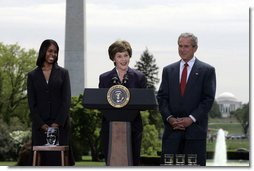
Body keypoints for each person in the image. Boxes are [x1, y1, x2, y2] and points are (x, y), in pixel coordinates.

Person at [157, 33, 216, 166]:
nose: (182, 49)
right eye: (180, 46)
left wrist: (191, 119)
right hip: (172, 133)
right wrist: (170, 118)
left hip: (195, 133)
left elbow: (208, 100)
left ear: (195, 48)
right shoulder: (168, 70)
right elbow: (162, 98)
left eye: (186, 46)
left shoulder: (207, 70)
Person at [27, 39, 75, 166]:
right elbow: (32, 104)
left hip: (60, 126)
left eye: (55, 52)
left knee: (59, 163)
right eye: (50, 51)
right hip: (40, 127)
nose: (53, 54)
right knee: (41, 163)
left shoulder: (63, 73)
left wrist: (56, 124)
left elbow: (66, 101)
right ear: (43, 51)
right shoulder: (32, 75)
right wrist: (42, 125)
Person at [99, 40, 147, 166]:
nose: (123, 59)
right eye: (119, 56)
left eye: (126, 55)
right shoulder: (104, 78)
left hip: (133, 128)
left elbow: (144, 103)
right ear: (113, 58)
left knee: (133, 162)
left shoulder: (139, 77)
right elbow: (100, 103)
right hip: (109, 128)